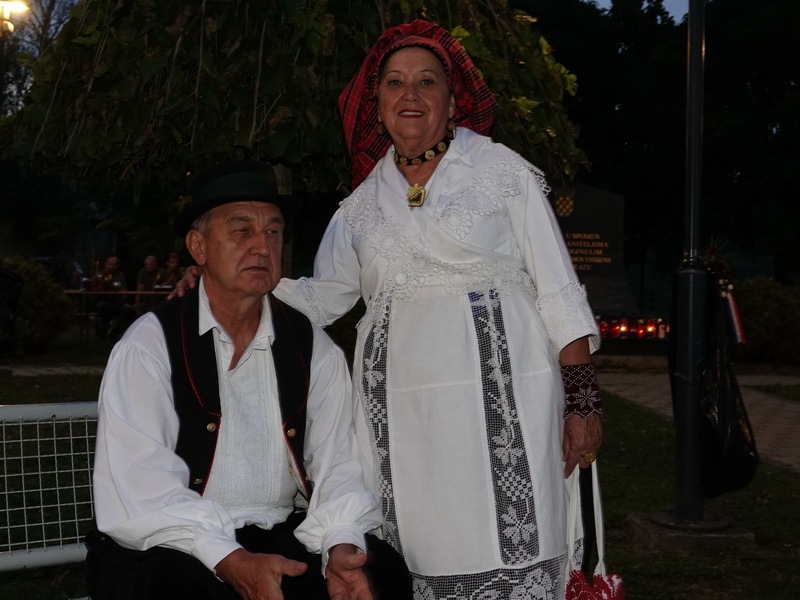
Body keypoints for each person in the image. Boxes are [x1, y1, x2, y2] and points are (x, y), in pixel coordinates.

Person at [178, 20, 603, 600]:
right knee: (416, 556)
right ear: (376, 105)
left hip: (505, 405)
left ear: (452, 100)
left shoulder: (501, 171)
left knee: (509, 548)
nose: (411, 94)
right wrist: (223, 278)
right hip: (402, 418)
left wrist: (582, 398)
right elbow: (322, 297)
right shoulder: (360, 207)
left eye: (427, 81)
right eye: (395, 82)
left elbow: (557, 286)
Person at [87, 161, 412, 600]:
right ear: (198, 247)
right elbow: (142, 485)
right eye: (241, 231)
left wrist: (340, 543)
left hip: (276, 529)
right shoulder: (149, 345)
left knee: (380, 573)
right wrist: (230, 559)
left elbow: (338, 463)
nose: (262, 246)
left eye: (273, 232)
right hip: (175, 539)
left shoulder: (310, 345)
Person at [94, 255, 135, 340]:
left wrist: (122, 296)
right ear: (105, 265)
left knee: (130, 311)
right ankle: (102, 334)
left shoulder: (120, 276)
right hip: (103, 301)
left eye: (114, 265)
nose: (112, 266)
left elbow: (125, 292)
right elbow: (93, 289)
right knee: (106, 309)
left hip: (117, 301)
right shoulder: (99, 275)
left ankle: (115, 332)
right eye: (110, 264)